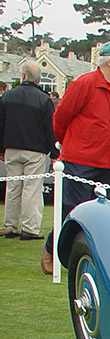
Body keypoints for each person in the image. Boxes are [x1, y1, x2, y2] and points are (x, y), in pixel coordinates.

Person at [44, 41, 110, 274]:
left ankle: (97, 258)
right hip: (80, 161)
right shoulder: (84, 84)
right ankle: (51, 249)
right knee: (72, 210)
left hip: (107, 163)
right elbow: (61, 118)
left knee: (106, 214)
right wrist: (73, 144)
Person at [0, 60, 58, 240]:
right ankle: (29, 228)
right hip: (35, 149)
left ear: (23, 76)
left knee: (13, 187)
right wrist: (54, 153)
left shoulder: (7, 96)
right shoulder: (44, 99)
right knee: (32, 189)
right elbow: (49, 128)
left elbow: (1, 124)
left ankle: (9, 224)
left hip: (11, 147)